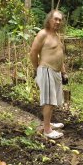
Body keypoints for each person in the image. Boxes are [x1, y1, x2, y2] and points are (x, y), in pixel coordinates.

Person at [29, 10, 67, 139]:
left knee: (53, 100)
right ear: (49, 19)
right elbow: (33, 53)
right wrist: (37, 69)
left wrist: (64, 72)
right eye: (55, 19)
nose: (57, 22)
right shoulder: (42, 34)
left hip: (56, 72)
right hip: (46, 70)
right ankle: (47, 130)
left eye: (60, 20)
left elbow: (59, 55)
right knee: (49, 101)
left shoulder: (56, 35)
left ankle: (48, 123)